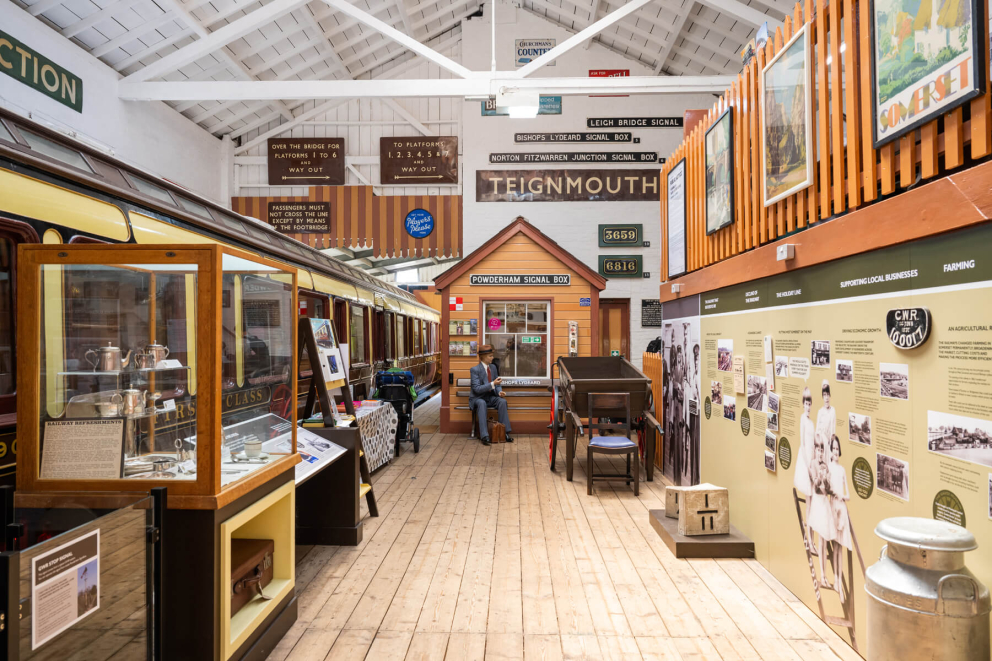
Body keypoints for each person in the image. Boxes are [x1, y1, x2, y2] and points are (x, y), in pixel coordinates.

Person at [469, 344, 513, 446]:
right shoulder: (475, 370)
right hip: (478, 398)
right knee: (482, 403)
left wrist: (499, 392)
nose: (492, 357)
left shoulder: (493, 367)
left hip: (490, 397)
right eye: (490, 356)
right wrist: (493, 383)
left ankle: (505, 433)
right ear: (483, 357)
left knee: (502, 401)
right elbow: (477, 389)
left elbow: (497, 384)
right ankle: (484, 436)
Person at [827, 434, 851, 601]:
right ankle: (836, 580)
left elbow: (848, 494)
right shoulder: (829, 467)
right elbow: (827, 488)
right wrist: (834, 493)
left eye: (837, 448)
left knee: (840, 547)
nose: (835, 451)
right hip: (833, 507)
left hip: (841, 507)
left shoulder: (842, 470)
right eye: (833, 448)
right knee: (835, 545)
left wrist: (842, 495)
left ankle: (839, 584)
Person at [794, 387, 817, 551]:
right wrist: (808, 466)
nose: (808, 407)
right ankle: (810, 540)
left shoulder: (811, 422)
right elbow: (802, 444)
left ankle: (811, 539)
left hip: (811, 462)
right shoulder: (803, 419)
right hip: (805, 462)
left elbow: (813, 445)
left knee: (812, 503)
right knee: (809, 503)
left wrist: (814, 465)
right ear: (803, 404)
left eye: (810, 404)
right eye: (806, 404)